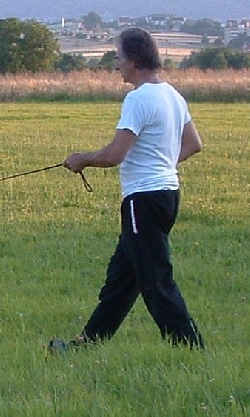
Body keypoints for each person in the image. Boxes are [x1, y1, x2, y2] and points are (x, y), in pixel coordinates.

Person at [55, 27, 205, 350]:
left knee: (156, 283)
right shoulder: (172, 95)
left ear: (134, 60)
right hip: (166, 197)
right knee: (122, 281)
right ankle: (85, 345)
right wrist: (164, 162)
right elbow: (194, 144)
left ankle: (192, 350)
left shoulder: (137, 99)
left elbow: (114, 155)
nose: (117, 65)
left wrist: (82, 159)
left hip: (142, 202)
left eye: (119, 58)